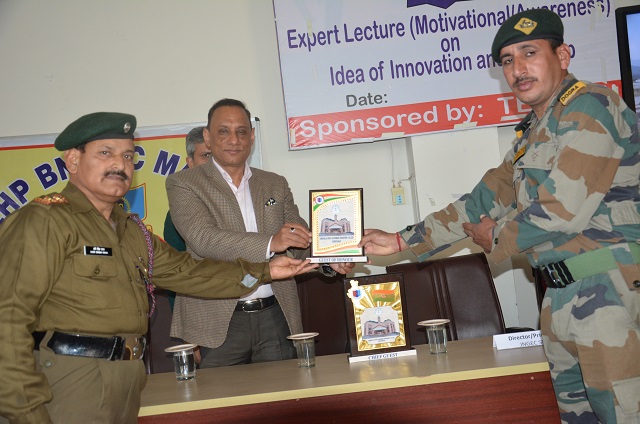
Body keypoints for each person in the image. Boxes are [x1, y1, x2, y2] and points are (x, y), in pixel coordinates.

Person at [359, 9, 639, 424]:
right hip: (560, 295)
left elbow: (561, 211)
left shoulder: (592, 106)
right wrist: (403, 240)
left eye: (529, 53)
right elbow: (481, 201)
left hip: (608, 290)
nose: (517, 69)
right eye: (508, 60)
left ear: (562, 55)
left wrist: (496, 236)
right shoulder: (534, 132)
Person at [0, 112, 316, 424]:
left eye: (128, 156)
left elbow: (190, 272)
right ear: (72, 160)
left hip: (126, 384)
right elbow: (8, 321)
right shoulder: (44, 222)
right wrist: (26, 413)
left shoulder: (130, 231)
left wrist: (266, 272)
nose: (120, 164)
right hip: (70, 383)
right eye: (106, 153)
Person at [166, 98, 355, 368]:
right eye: (223, 131)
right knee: (220, 396)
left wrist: (330, 257)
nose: (234, 140)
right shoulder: (184, 183)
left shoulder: (274, 183)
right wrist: (271, 243)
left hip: (275, 315)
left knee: (283, 394)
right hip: (216, 320)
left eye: (241, 131)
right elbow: (203, 239)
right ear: (207, 137)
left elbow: (298, 239)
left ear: (252, 136)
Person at [163, 126, 211, 310]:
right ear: (190, 162)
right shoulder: (178, 213)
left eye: (217, 156)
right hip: (201, 309)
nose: (213, 163)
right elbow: (175, 272)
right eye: (206, 155)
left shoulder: (242, 201)